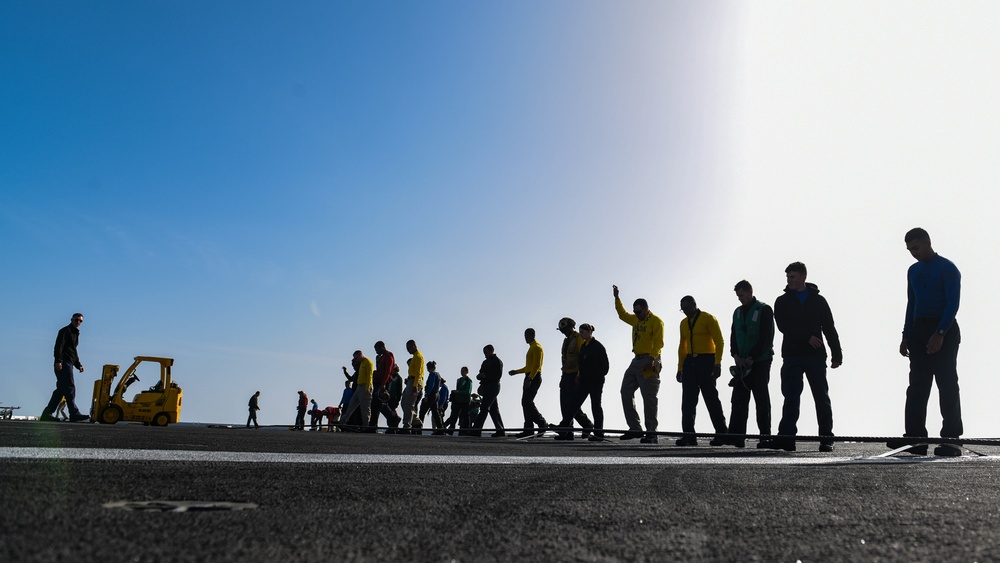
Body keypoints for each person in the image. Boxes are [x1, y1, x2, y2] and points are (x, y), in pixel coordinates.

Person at [888, 228, 963, 457]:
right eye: (910, 250)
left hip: (944, 329)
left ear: (927, 242)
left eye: (916, 248)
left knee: (947, 384)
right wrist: (906, 335)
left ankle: (951, 439)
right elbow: (912, 303)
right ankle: (915, 438)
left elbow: (952, 303)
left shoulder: (948, 268)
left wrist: (940, 332)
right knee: (917, 387)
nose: (914, 253)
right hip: (918, 329)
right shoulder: (913, 270)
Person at [760, 262, 842, 452]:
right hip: (792, 355)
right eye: (788, 277)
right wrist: (807, 337)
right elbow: (783, 326)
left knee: (821, 397)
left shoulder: (819, 301)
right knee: (791, 397)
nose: (790, 280)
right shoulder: (781, 301)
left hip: (815, 357)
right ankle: (787, 438)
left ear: (803, 277)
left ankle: (826, 438)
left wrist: (837, 354)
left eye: (793, 277)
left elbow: (829, 327)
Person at [725, 281, 774, 448]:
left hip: (760, 362)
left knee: (761, 399)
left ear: (750, 292)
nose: (740, 299)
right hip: (741, 364)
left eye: (742, 295)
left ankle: (765, 436)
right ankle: (737, 437)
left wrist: (753, 356)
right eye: (738, 296)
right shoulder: (737, 312)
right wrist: (735, 354)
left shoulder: (764, 309)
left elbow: (767, 337)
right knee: (738, 399)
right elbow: (734, 335)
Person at [613, 286, 664, 443]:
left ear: (646, 309)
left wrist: (652, 358)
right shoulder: (635, 319)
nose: (637, 315)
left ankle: (651, 432)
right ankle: (635, 428)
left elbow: (659, 342)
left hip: (650, 360)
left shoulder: (656, 321)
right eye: (635, 312)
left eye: (639, 312)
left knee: (649, 396)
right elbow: (622, 315)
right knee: (625, 391)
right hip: (636, 360)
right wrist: (617, 298)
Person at [676, 295, 728, 447]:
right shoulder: (683, 323)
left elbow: (719, 341)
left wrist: (718, 363)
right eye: (682, 309)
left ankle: (722, 433)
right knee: (688, 401)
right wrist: (680, 368)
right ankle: (689, 435)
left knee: (711, 398)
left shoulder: (708, 318)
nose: (685, 311)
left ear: (694, 305)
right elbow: (682, 346)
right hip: (689, 362)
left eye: (687, 308)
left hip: (707, 361)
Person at [40, 313, 90, 422]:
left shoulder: (75, 333)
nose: (78, 322)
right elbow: (59, 346)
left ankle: (47, 414)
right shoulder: (65, 331)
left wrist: (78, 364)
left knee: (61, 390)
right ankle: (74, 413)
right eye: (76, 320)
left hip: (69, 362)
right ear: (71, 320)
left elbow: (73, 350)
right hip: (63, 362)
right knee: (70, 387)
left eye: (80, 321)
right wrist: (58, 361)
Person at [565, 323, 609, 441]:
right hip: (584, 381)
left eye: (583, 332)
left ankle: (598, 433)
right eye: (580, 332)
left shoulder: (598, 346)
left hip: (595, 382)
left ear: (589, 332)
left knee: (596, 406)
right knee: (574, 403)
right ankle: (564, 426)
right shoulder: (584, 346)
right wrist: (579, 376)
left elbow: (605, 367)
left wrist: (596, 376)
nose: (581, 334)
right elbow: (581, 363)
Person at [552, 318, 594, 440]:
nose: (564, 332)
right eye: (562, 331)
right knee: (564, 404)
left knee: (572, 404)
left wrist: (579, 375)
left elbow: (583, 357)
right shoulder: (566, 340)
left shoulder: (578, 338)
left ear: (571, 327)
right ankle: (567, 432)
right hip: (565, 374)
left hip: (575, 375)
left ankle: (587, 424)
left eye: (565, 329)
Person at [508, 328, 549, 438]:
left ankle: (542, 423)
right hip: (530, 375)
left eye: (526, 336)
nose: (525, 338)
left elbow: (536, 366)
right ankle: (529, 429)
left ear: (531, 336)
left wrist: (530, 378)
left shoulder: (537, 347)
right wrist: (516, 372)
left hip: (534, 377)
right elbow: (528, 367)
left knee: (527, 402)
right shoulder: (531, 347)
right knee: (525, 402)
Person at [472, 344, 505, 437]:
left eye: (486, 352)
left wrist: (486, 376)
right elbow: (481, 372)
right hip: (486, 386)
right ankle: (500, 430)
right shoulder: (485, 362)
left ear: (491, 351)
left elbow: (498, 376)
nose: (485, 354)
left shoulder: (497, 361)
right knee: (494, 410)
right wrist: (480, 379)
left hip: (494, 386)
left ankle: (476, 430)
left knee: (484, 407)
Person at [340, 350, 375, 431]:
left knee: (365, 408)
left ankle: (366, 425)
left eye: (356, 358)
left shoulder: (368, 362)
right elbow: (352, 378)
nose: (355, 360)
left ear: (360, 355)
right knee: (351, 405)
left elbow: (370, 375)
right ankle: (342, 422)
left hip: (365, 387)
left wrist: (367, 388)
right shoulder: (361, 363)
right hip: (359, 387)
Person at [371, 341, 402, 430]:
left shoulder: (389, 355)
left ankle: (393, 417)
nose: (376, 352)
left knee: (379, 403)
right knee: (376, 405)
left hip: (383, 383)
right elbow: (380, 370)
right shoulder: (382, 357)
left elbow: (388, 371)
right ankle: (373, 425)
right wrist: (377, 362)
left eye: (377, 350)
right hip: (379, 382)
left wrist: (383, 384)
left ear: (381, 347)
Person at [401, 340, 425, 433]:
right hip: (410, 381)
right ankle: (416, 421)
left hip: (415, 382)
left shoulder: (418, 357)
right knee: (404, 402)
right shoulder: (415, 357)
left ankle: (407, 426)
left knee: (409, 404)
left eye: (409, 348)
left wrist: (415, 386)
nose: (408, 350)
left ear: (414, 346)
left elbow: (418, 373)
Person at [444, 366, 473, 435]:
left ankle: (466, 430)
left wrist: (459, 392)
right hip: (458, 400)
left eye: (463, 371)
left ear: (467, 372)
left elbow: (468, 392)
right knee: (454, 415)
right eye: (461, 371)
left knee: (466, 416)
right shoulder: (459, 380)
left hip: (465, 401)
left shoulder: (468, 381)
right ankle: (451, 430)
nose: (462, 372)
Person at [418, 361, 444, 431]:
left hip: (431, 394)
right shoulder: (438, 374)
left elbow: (431, 385)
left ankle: (418, 428)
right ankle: (440, 429)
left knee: (422, 411)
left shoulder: (432, 374)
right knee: (436, 413)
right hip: (436, 394)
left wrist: (427, 395)